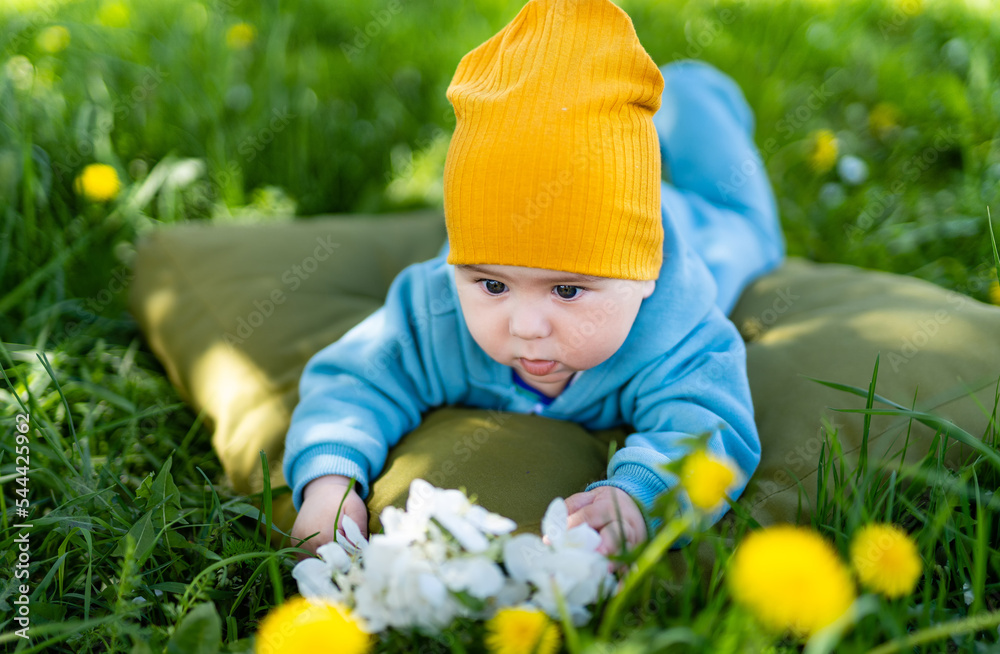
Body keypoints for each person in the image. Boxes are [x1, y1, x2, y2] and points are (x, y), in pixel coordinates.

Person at [283, 0, 784, 558]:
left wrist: (640, 496)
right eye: (492, 285)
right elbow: (356, 381)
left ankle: (693, 98)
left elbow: (709, 429)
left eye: (567, 289)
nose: (525, 326)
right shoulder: (437, 312)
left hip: (698, 220)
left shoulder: (680, 332)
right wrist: (332, 483)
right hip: (559, 209)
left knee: (750, 226)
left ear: (643, 275)